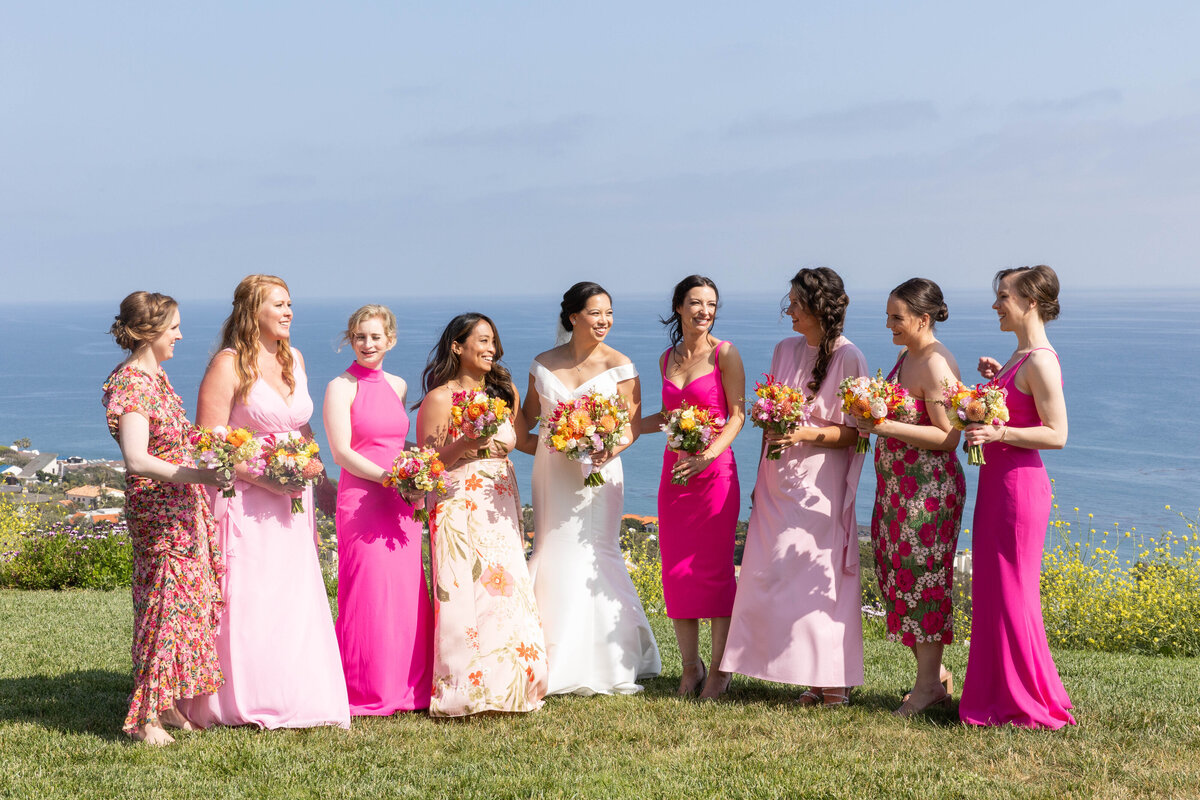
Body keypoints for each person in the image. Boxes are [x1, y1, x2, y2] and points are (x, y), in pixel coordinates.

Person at [181, 274, 349, 730]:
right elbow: (206, 442)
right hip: (247, 501)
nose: (289, 311)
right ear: (253, 311)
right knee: (252, 592)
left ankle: (296, 691)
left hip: (296, 497)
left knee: (293, 590)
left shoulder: (294, 357)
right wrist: (264, 477)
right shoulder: (228, 364)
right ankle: (240, 697)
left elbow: (302, 429)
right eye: (279, 304)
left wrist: (320, 476)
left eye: (290, 303)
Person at [721, 267, 867, 707]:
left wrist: (804, 434)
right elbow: (769, 419)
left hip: (821, 485)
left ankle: (834, 682)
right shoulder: (784, 349)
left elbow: (857, 434)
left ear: (819, 307)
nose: (789, 311)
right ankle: (806, 674)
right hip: (777, 478)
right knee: (777, 573)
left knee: (819, 575)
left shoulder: (849, 357)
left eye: (795, 304)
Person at [102, 292, 233, 744]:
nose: (179, 334)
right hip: (158, 508)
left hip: (180, 503)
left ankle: (167, 701)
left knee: (184, 604)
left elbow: (175, 439)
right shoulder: (134, 384)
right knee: (163, 606)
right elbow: (137, 459)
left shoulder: (158, 378)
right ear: (150, 330)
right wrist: (200, 474)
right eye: (173, 326)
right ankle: (145, 718)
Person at [519, 282, 661, 695]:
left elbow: (631, 427)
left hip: (601, 472)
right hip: (552, 473)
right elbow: (527, 418)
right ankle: (538, 650)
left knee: (597, 549)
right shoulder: (543, 365)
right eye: (596, 313)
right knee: (551, 545)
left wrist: (605, 449)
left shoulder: (621, 365)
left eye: (609, 313)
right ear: (572, 317)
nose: (604, 321)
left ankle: (606, 657)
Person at [958, 265, 1075, 729]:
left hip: (1019, 490)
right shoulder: (1019, 357)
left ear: (1030, 302)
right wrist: (993, 382)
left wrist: (999, 428)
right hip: (999, 485)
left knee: (1013, 593)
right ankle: (1002, 692)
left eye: (1003, 296)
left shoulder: (1041, 359)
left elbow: (1058, 434)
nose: (995, 304)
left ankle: (1024, 700)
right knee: (994, 590)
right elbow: (1016, 406)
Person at [414, 313, 547, 716]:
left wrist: (574, 448)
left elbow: (522, 441)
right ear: (458, 346)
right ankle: (466, 687)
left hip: (499, 501)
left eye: (493, 341)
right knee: (465, 591)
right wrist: (467, 444)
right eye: (482, 340)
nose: (491, 348)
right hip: (457, 501)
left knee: (505, 589)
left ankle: (513, 684)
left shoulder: (502, 393)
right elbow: (429, 463)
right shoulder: (441, 398)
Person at [856, 278, 965, 716]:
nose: (889, 325)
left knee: (924, 584)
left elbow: (947, 437)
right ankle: (933, 678)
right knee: (897, 577)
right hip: (899, 490)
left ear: (923, 318)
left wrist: (882, 427)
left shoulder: (936, 364)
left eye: (896, 317)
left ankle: (926, 690)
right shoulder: (908, 355)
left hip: (929, 494)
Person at [636, 276, 744, 699]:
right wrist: (616, 436)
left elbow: (737, 415)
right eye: (696, 303)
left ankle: (720, 671)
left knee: (715, 571)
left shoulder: (726, 354)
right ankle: (689, 668)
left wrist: (708, 455)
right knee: (677, 571)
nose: (704, 310)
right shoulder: (666, 359)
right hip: (674, 476)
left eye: (711, 304)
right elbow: (666, 418)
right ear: (679, 307)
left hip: (716, 476)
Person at [323, 305, 433, 715]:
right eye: (359, 337)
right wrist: (393, 480)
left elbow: (395, 443)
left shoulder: (400, 386)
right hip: (363, 501)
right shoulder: (341, 386)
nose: (367, 344)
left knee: (405, 592)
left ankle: (408, 687)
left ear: (391, 340)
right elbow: (342, 452)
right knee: (368, 592)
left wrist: (415, 477)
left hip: (403, 501)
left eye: (375, 337)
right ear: (350, 339)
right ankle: (363, 688)